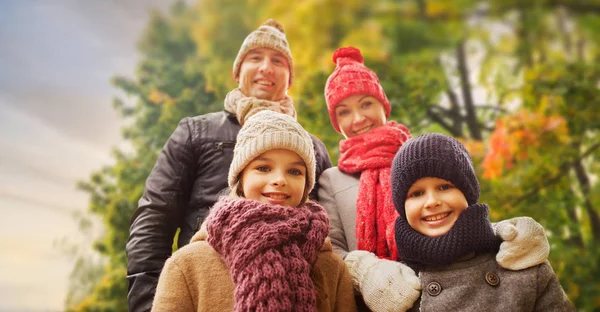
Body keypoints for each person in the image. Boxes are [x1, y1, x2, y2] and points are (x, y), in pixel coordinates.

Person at [318, 46, 552, 311]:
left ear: (383, 104)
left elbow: (461, 211)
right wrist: (367, 272)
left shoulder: (419, 156)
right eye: (344, 112)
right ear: (336, 122)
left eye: (366, 104)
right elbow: (332, 249)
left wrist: (506, 235)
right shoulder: (331, 179)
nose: (358, 118)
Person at [126, 19, 332, 311]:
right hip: (207, 288)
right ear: (238, 71)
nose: (266, 67)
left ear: (290, 78)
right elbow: (154, 217)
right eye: (255, 58)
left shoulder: (313, 148)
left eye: (277, 60)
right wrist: (152, 303)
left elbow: (328, 230)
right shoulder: (196, 132)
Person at [151, 110, 356, 312]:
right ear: (241, 178)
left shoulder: (331, 267)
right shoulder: (188, 265)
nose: (280, 179)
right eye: (263, 168)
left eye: (294, 171)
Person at [389, 133, 575, 311]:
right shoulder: (393, 285)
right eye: (417, 193)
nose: (432, 202)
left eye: (444, 187)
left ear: (467, 193)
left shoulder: (523, 263)